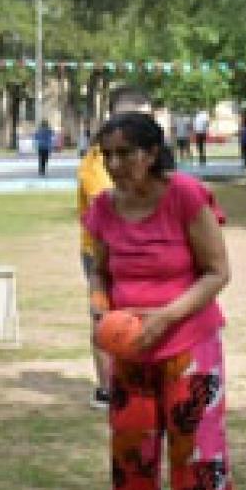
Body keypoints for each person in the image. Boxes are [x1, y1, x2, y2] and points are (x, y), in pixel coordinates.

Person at [83, 112, 237, 490]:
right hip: (131, 351)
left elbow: (217, 272)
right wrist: (106, 324)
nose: (115, 163)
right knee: (131, 453)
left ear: (152, 153)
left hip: (188, 344)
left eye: (125, 153)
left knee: (195, 453)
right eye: (107, 154)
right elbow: (100, 276)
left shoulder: (185, 195)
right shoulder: (104, 207)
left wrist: (164, 317)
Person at [78, 87, 153, 410]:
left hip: (137, 246)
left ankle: (132, 379)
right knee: (106, 315)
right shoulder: (97, 163)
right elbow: (114, 204)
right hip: (103, 250)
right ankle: (107, 388)